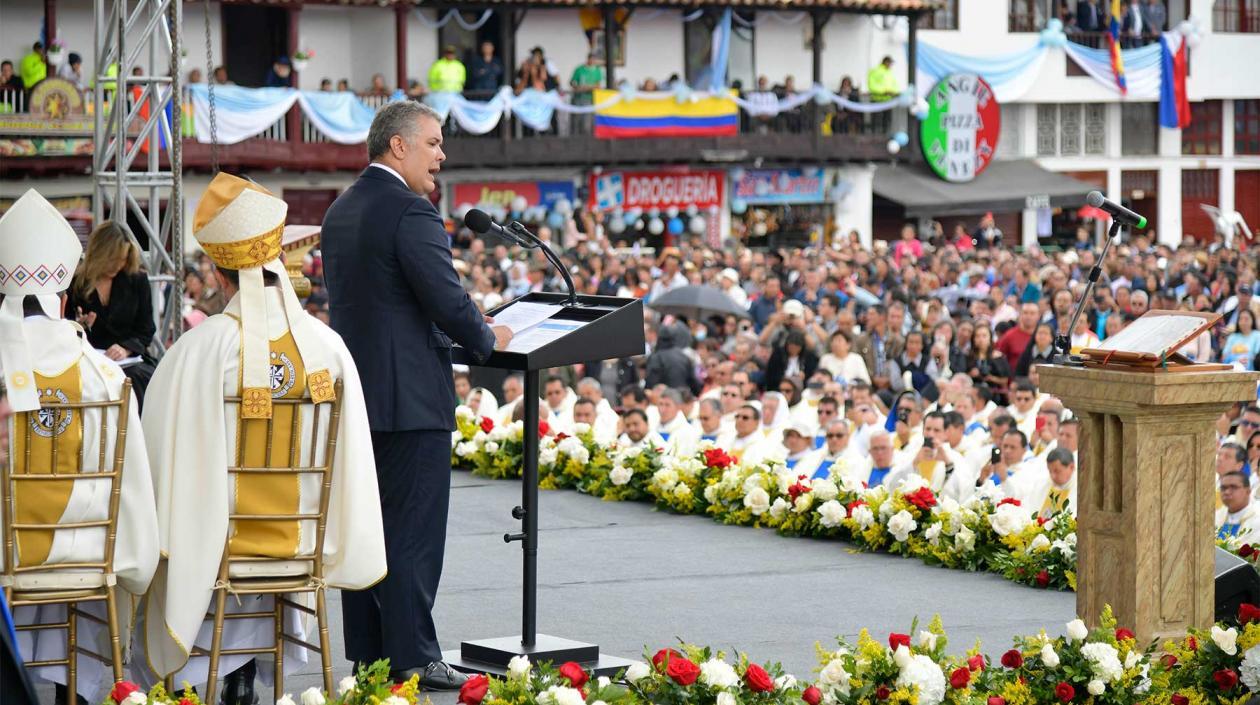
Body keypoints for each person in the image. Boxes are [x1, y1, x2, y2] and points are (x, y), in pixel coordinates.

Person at [139, 173, 386, 698]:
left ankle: (216, 672)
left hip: (218, 546)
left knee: (188, 528)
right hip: (301, 542)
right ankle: (251, 667)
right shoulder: (328, 348)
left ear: (219, 273)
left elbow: (158, 453)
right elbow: (351, 461)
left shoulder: (198, 349)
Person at [320, 100, 512, 689]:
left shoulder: (341, 210)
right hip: (411, 401)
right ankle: (416, 655)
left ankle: (372, 653)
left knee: (369, 528)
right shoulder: (411, 211)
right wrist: (488, 337)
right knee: (412, 534)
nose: (442, 154)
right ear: (398, 146)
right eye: (433, 142)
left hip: (362, 398)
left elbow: (386, 305)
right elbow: (446, 299)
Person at [1, 190, 158, 705]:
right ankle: (85, 688)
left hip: (8, 553)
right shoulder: (106, 378)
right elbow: (132, 483)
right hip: (86, 550)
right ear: (65, 301)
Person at [67, 222, 157, 404]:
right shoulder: (75, 283)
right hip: (90, 360)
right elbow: (64, 328)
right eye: (112, 259)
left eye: (123, 259)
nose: (118, 265)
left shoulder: (137, 280)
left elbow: (146, 329)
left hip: (130, 362)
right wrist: (80, 327)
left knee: (135, 381)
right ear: (98, 253)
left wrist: (125, 348)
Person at [1218, 472, 1260, 540]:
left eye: (1234, 487)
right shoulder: (1216, 515)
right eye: (1223, 488)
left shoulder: (1257, 523)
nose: (1227, 492)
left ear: (1248, 491)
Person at [569, 52, 604, 134]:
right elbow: (572, 82)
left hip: (589, 99)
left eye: (594, 59)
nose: (592, 61)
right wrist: (577, 87)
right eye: (590, 59)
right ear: (587, 59)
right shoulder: (579, 69)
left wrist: (588, 87)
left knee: (586, 123)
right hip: (577, 98)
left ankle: (585, 140)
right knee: (575, 121)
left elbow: (598, 85)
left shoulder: (597, 71)